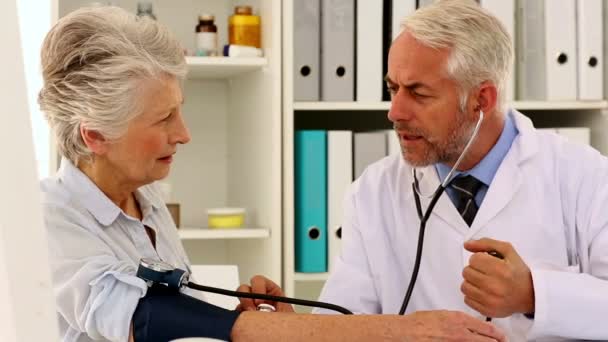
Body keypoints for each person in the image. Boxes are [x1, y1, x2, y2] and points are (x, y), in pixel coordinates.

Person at [38, 5, 505, 342]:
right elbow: (145, 319)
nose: (184, 135)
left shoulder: (145, 200)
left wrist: (247, 314)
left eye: (178, 112)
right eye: (163, 120)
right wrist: (399, 332)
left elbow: (184, 321)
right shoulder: (45, 219)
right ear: (95, 135)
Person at [242, 0, 608, 340]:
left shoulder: (584, 177)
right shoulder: (373, 191)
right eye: (393, 89)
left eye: (418, 93)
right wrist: (294, 324)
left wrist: (534, 294)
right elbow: (351, 320)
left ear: (482, 100)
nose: (395, 112)